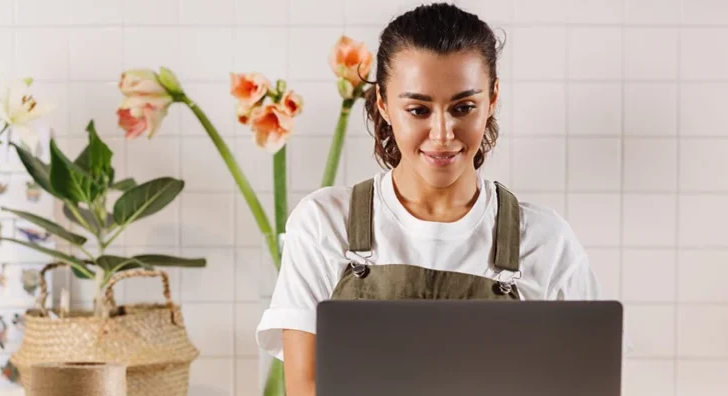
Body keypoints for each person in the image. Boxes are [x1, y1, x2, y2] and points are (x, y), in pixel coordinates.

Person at [254, 3, 602, 395]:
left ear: (492, 99)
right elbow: (306, 387)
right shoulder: (323, 224)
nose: (442, 133)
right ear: (383, 103)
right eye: (418, 109)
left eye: (463, 107)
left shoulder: (544, 239)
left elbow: (584, 384)